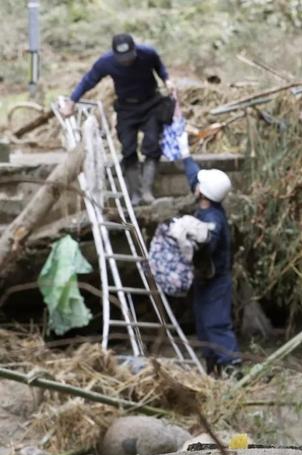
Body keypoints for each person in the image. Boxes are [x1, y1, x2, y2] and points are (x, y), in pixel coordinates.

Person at [61, 33, 176, 205]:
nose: (126, 61)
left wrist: (167, 80)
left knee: (152, 145)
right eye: (122, 59)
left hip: (151, 104)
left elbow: (160, 69)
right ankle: (134, 194)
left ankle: (147, 191)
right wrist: (71, 102)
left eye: (129, 57)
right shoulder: (106, 62)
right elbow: (88, 81)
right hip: (126, 109)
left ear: (135, 50)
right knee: (128, 149)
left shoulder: (148, 54)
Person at [180, 153, 242, 376]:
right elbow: (194, 177)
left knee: (216, 323)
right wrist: (185, 156)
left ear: (202, 192)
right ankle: (212, 368)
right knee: (204, 326)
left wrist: (192, 238)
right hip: (203, 280)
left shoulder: (213, 220)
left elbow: (209, 244)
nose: (194, 184)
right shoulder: (208, 201)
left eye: (198, 184)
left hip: (216, 281)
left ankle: (231, 368)